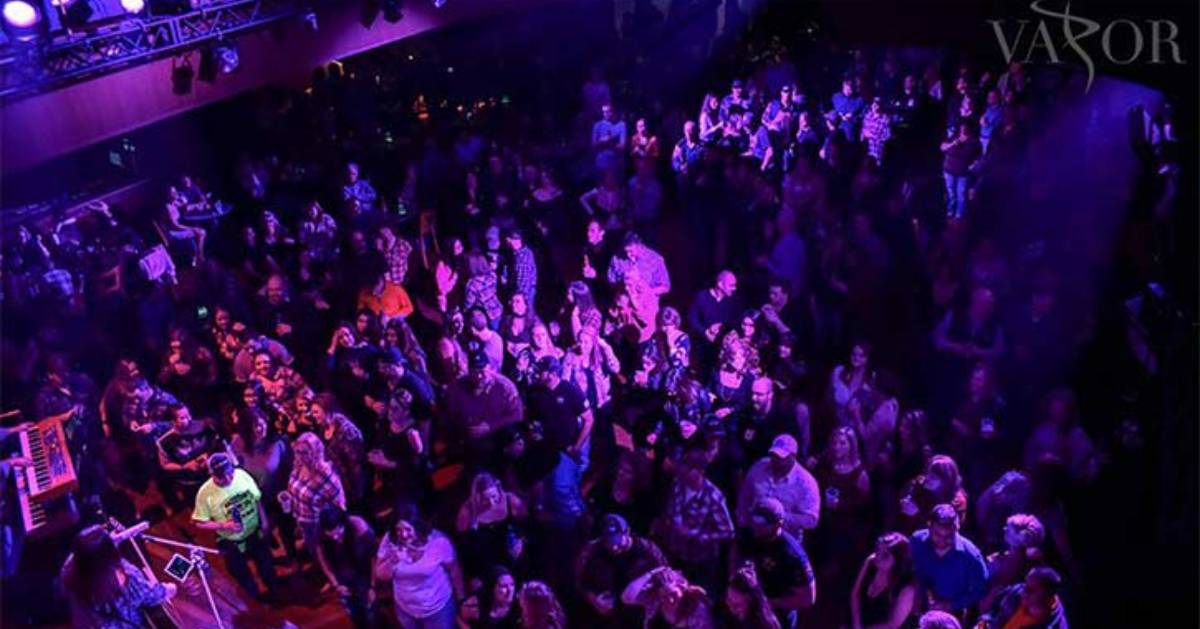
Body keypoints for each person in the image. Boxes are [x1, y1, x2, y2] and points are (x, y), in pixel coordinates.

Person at [192, 453, 278, 600]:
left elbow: (256, 498)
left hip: (254, 532)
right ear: (212, 474)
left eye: (229, 474)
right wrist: (224, 525)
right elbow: (199, 522)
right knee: (241, 574)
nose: (227, 479)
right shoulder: (205, 493)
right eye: (221, 477)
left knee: (266, 566)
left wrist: (264, 521)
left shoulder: (241, 475)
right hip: (230, 540)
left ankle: (274, 591)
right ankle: (254, 599)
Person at [61, 525, 178, 628]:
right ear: (110, 552)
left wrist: (107, 543)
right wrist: (171, 588)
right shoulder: (124, 577)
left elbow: (92, 555)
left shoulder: (69, 570)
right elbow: (152, 596)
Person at [656, 446, 735, 593]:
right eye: (683, 467)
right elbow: (671, 511)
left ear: (701, 471)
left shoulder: (714, 497)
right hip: (676, 554)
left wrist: (696, 534)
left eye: (688, 469)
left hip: (701, 561)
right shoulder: (678, 485)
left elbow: (728, 532)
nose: (683, 471)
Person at [374, 503, 464, 629]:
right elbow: (380, 575)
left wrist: (461, 597)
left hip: (437, 609)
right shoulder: (390, 540)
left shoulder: (438, 542)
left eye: (408, 529)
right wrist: (392, 561)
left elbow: (454, 570)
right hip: (406, 610)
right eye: (399, 530)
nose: (403, 535)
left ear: (417, 526)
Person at [732, 498, 817, 628]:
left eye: (762, 523)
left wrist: (767, 602)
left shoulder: (791, 554)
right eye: (754, 520)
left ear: (778, 524)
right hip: (746, 610)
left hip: (777, 616)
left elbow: (807, 598)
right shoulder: (749, 534)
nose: (756, 526)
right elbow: (735, 551)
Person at [574, 513, 668, 627]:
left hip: (639, 608)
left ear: (627, 532)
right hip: (608, 610)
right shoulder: (592, 552)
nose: (613, 547)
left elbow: (665, 572)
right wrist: (593, 600)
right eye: (608, 542)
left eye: (617, 540)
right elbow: (581, 581)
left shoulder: (647, 549)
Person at [280, 432, 346, 583]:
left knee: (326, 554)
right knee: (314, 551)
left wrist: (334, 528)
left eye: (305, 452)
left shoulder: (325, 474)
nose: (300, 456)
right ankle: (327, 575)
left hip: (319, 525)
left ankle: (336, 580)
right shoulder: (297, 467)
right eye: (297, 451)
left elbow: (339, 502)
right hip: (303, 520)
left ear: (315, 452)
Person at [736, 434, 821, 541]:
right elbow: (744, 496)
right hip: (753, 533)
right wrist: (741, 524)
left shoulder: (806, 482)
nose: (776, 461)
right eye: (774, 455)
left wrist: (779, 518)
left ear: (793, 457)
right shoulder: (759, 466)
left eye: (781, 458)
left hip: (785, 539)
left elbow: (811, 519)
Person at [910, 504, 988, 617]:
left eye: (949, 536)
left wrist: (951, 605)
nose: (942, 540)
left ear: (957, 528)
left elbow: (980, 589)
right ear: (929, 526)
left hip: (952, 615)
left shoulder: (971, 555)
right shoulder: (916, 541)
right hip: (915, 608)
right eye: (937, 534)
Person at [444, 350, 523, 461]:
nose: (480, 376)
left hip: (498, 440)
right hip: (467, 445)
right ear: (469, 371)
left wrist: (490, 426)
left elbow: (518, 414)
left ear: (490, 368)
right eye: (475, 372)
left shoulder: (504, 386)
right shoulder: (456, 388)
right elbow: (449, 418)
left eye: (483, 371)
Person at [317, 507, 377, 629]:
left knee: (370, 613)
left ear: (343, 522)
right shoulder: (321, 535)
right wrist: (336, 584)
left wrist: (372, 585)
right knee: (354, 613)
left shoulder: (358, 526)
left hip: (363, 575)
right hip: (343, 579)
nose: (335, 537)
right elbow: (324, 562)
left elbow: (373, 557)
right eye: (330, 533)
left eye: (338, 531)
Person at [850, 532, 918, 629]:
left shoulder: (907, 588)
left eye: (885, 555)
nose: (878, 557)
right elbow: (855, 594)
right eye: (877, 550)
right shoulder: (870, 562)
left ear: (899, 560)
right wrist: (856, 624)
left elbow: (893, 624)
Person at [622, 566, 716, 629]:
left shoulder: (696, 607)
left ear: (682, 587)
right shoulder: (654, 601)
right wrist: (650, 574)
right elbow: (627, 597)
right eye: (664, 597)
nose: (670, 600)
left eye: (673, 594)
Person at [976, 566, 1069, 629]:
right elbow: (994, 609)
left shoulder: (1054, 625)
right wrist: (984, 621)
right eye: (1025, 584)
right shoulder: (1016, 592)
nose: (1024, 592)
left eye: (1031, 590)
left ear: (1047, 596)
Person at [940, 122, 982, 220]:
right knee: (951, 194)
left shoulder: (974, 142)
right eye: (962, 127)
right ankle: (950, 212)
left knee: (961, 195)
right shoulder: (953, 137)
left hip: (962, 172)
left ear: (969, 128)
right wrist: (952, 144)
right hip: (949, 170)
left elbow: (979, 156)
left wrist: (972, 166)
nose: (963, 129)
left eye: (966, 127)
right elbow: (942, 147)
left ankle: (959, 214)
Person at [723, 563, 783, 629]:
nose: (731, 608)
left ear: (751, 602)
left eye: (737, 605)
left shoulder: (766, 625)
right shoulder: (727, 614)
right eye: (728, 600)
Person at [502, 229, 538, 307]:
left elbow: (523, 280)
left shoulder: (522, 257)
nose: (507, 242)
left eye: (508, 240)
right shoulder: (522, 251)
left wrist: (518, 300)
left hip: (524, 294)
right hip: (527, 291)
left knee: (524, 315)